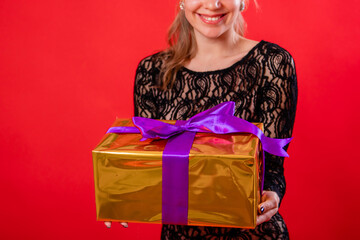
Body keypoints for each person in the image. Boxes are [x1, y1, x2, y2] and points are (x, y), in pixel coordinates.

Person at [107, 0, 297, 239]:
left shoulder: (273, 63)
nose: (213, 4)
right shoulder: (152, 71)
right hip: (180, 234)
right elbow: (150, 163)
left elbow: (273, 167)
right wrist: (121, 192)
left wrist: (273, 194)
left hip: (253, 232)